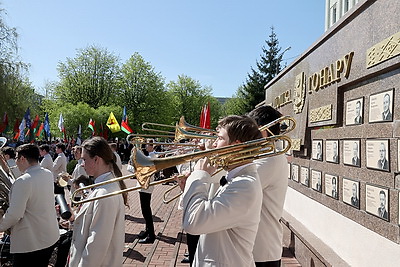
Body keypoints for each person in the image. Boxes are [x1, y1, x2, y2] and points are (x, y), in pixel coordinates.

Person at [180, 115, 263, 266]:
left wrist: (199, 176)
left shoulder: (244, 185)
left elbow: (193, 223)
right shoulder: (236, 178)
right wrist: (190, 188)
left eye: (219, 138)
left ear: (236, 146)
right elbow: (206, 214)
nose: (213, 145)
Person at [69, 136, 128, 266]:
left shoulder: (104, 194)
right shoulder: (105, 186)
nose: (82, 164)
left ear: (96, 159)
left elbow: (95, 246)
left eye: (84, 159)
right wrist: (75, 217)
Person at [0, 144, 59, 267]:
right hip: (48, 236)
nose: (15, 162)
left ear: (22, 158)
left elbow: (15, 214)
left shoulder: (23, 181)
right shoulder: (47, 173)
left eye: (16, 158)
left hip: (31, 243)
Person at [248, 105, 288, 267]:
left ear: (264, 130)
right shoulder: (263, 155)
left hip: (262, 247)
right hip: (257, 245)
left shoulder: (270, 159)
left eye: (252, 129)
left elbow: (235, 185)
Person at [136, 141, 157, 244]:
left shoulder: (152, 156)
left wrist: (135, 157)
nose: (145, 146)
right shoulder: (149, 156)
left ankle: (151, 235)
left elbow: (141, 169)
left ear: (151, 146)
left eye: (147, 144)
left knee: (146, 211)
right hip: (145, 186)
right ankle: (148, 230)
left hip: (146, 186)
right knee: (145, 210)